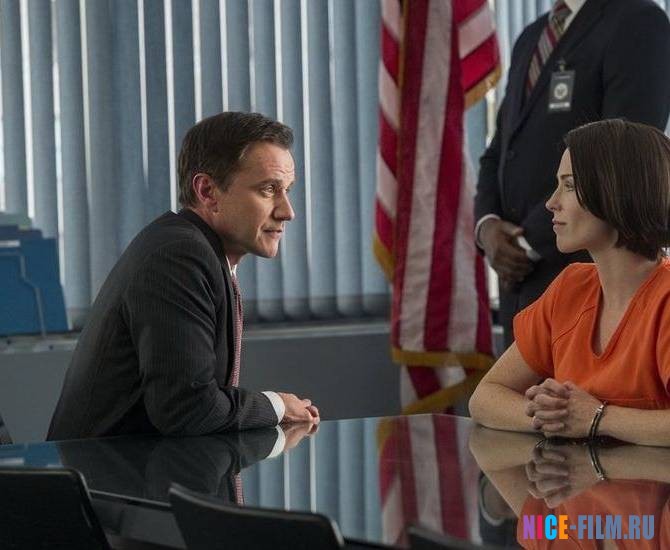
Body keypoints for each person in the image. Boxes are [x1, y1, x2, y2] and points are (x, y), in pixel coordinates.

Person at [48, 112, 320, 441]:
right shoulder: (179, 256)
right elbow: (189, 409)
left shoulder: (199, 251)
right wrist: (277, 406)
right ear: (208, 191)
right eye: (268, 189)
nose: (288, 211)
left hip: (143, 468)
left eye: (287, 190)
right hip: (106, 473)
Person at [474, 0, 670, 348]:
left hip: (584, 274)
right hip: (516, 278)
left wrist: (525, 245)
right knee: (515, 384)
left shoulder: (637, 21)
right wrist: (487, 228)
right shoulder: (531, 37)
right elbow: (500, 149)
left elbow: (624, 157)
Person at [469, 119, 670, 447]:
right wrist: (554, 416)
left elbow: (587, 418)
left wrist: (597, 418)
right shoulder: (570, 287)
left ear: (618, 192)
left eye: (570, 185)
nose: (551, 202)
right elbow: (485, 398)